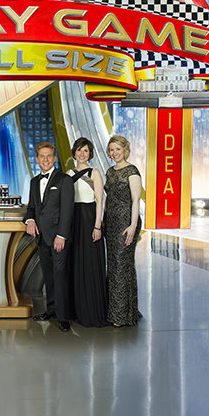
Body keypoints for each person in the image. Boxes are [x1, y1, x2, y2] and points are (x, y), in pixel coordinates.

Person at [25, 141, 74, 332]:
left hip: (58, 237)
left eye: (49, 156)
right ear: (37, 159)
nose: (45, 159)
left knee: (60, 276)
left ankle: (63, 316)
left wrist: (62, 235)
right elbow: (31, 207)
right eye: (42, 156)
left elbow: (67, 211)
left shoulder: (64, 180)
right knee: (49, 276)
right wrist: (30, 220)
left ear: (54, 158)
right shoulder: (34, 182)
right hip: (42, 237)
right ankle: (51, 310)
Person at [66, 137, 108, 327]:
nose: (82, 154)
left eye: (86, 151)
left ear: (90, 154)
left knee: (90, 264)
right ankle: (77, 309)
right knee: (75, 264)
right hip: (73, 221)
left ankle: (92, 311)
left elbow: (99, 201)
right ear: (74, 152)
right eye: (79, 150)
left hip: (89, 219)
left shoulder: (94, 173)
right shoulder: (68, 173)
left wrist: (97, 226)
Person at [104, 135, 143, 326]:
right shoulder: (110, 172)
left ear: (125, 150)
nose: (114, 153)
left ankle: (121, 315)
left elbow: (136, 200)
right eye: (111, 150)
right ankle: (125, 310)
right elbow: (108, 198)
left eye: (117, 149)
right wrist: (103, 220)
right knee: (114, 266)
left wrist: (133, 225)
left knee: (121, 265)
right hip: (111, 223)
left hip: (126, 223)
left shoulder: (132, 171)